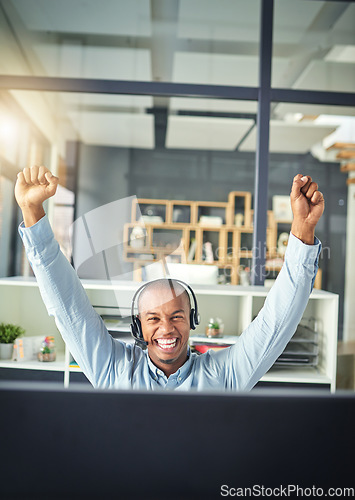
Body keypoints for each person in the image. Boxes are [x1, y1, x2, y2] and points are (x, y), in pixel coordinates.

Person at [15, 166, 324, 390]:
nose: (166, 329)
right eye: (153, 319)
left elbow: (276, 324)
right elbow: (68, 307)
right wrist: (32, 213)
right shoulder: (113, 368)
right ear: (137, 326)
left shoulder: (226, 375)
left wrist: (302, 232)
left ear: (192, 319)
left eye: (176, 316)